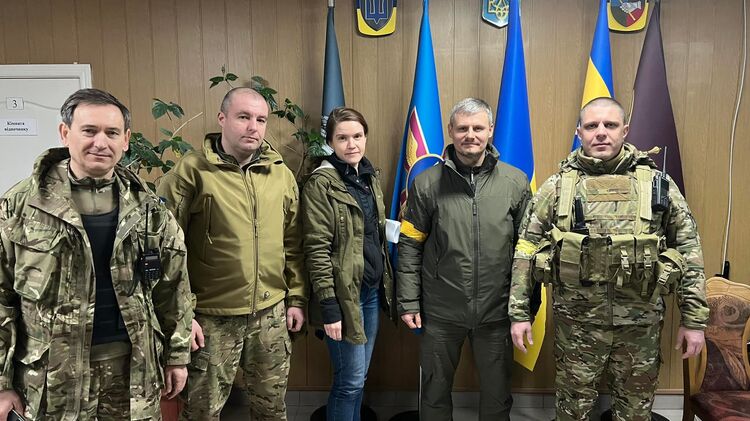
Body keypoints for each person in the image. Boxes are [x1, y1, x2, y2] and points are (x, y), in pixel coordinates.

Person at [509, 97, 709, 421]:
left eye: (610, 125)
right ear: (579, 132)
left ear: (625, 130)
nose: (601, 132)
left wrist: (694, 320)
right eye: (592, 126)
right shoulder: (558, 187)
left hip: (640, 327)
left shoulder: (657, 184)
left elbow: (689, 248)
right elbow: (526, 248)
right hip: (576, 328)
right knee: (572, 413)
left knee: (634, 414)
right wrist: (519, 314)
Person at [0, 88, 193, 420]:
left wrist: (177, 356)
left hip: (133, 375)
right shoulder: (21, 206)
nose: (100, 142)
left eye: (112, 133)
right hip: (53, 380)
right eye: (89, 131)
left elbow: (173, 287)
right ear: (65, 133)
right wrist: (2, 382)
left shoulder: (148, 209)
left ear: (126, 140)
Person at [157, 87, 307, 420]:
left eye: (261, 119)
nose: (253, 127)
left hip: (270, 314)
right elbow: (165, 251)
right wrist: (182, 316)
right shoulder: (190, 172)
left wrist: (296, 297)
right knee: (202, 412)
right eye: (243, 117)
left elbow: (293, 242)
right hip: (210, 318)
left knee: (272, 411)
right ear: (222, 119)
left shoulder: (280, 173)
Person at [397, 98, 530, 420]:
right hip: (441, 312)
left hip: (496, 312)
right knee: (434, 393)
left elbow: (528, 252)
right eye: (462, 128)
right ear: (450, 131)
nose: (470, 135)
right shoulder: (426, 184)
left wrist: (524, 308)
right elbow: (410, 247)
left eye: (478, 128)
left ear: (490, 130)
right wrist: (408, 301)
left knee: (498, 395)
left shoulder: (515, 182)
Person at [302, 107, 396, 421]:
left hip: (369, 292)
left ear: (365, 137)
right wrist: (329, 307)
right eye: (342, 138)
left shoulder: (368, 176)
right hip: (343, 298)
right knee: (349, 382)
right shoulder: (321, 183)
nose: (351, 144)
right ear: (330, 142)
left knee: (358, 379)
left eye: (357, 136)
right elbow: (316, 249)